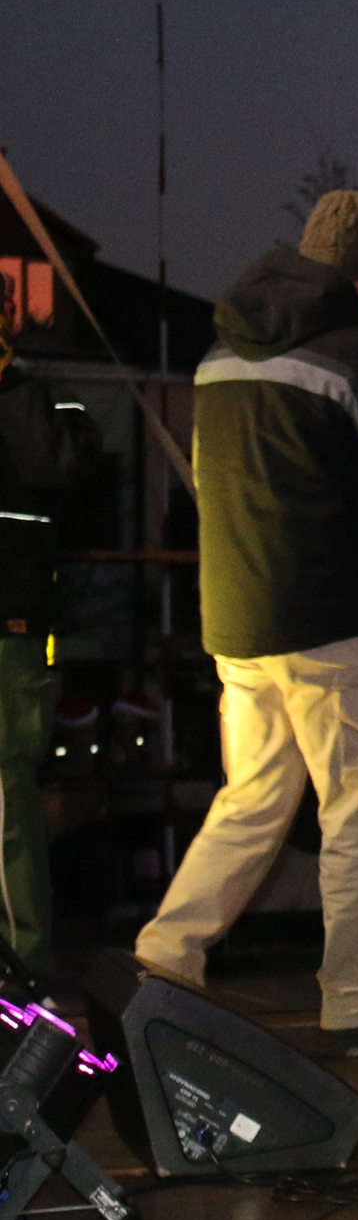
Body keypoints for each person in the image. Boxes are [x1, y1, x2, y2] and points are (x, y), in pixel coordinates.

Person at [137, 190, 358, 1056]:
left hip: (240, 621)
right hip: (333, 622)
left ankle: (164, 958)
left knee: (251, 800)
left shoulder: (221, 354)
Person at [0, 321, 99, 982]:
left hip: (9, 632)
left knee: (6, 800)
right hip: (11, 632)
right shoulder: (29, 396)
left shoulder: (29, 395)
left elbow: (65, 463)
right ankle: (20, 964)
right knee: (5, 803)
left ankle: (19, 967)